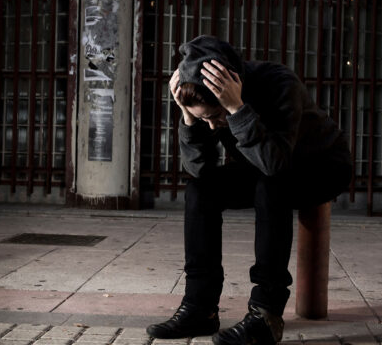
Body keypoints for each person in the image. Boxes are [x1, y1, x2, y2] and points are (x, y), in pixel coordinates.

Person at [146, 35, 352, 345]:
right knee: (199, 191)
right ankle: (200, 308)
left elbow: (275, 163)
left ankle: (265, 315)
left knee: (271, 186)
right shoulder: (205, 104)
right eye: (207, 119)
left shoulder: (280, 83)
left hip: (322, 165)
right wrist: (189, 119)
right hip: (265, 163)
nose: (214, 126)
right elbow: (200, 170)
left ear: (231, 86)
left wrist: (236, 108)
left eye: (216, 117)